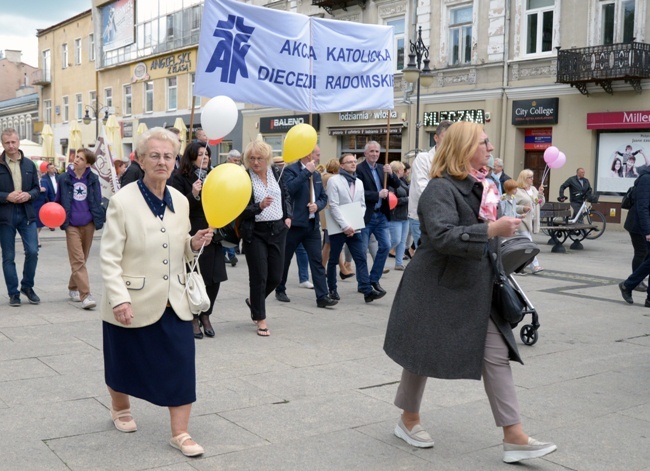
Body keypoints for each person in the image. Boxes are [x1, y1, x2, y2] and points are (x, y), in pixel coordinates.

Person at [383, 122, 557, 464]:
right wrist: (491, 228)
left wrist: (506, 228)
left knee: (495, 355)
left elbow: (481, 231)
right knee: (421, 354)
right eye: (484, 142)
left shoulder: (482, 185)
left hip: (476, 286)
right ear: (464, 149)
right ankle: (408, 419)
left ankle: (514, 436)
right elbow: (443, 235)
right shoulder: (439, 189)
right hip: (435, 285)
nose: (490, 148)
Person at [100, 127, 214, 457]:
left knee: (181, 362)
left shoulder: (179, 200)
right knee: (123, 361)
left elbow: (180, 247)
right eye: (155, 156)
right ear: (140, 159)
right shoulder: (122, 201)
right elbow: (109, 256)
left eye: (168, 156)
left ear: (175, 161)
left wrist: (193, 244)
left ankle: (180, 433)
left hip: (174, 299)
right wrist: (119, 297)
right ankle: (120, 408)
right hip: (130, 298)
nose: (162, 162)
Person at [171, 141, 227, 339]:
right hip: (193, 233)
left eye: (208, 154)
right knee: (194, 276)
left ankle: (206, 315)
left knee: (214, 277)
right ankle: (193, 316)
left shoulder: (214, 176)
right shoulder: (180, 177)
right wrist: (193, 193)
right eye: (201, 154)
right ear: (192, 156)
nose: (205, 158)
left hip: (213, 231)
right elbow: (176, 207)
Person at [239, 140, 292, 337]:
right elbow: (239, 210)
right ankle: (260, 318)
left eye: (259, 158)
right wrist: (258, 206)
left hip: (278, 229)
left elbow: (286, 195)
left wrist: (288, 216)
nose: (255, 162)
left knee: (276, 277)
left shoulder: (276, 172)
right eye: (251, 158)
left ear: (267, 158)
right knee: (259, 276)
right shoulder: (244, 177)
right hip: (255, 232)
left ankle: (254, 302)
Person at [274, 145, 337, 308]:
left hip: (311, 225)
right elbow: (289, 190)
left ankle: (322, 296)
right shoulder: (290, 170)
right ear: (307, 155)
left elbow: (323, 197)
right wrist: (305, 172)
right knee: (285, 259)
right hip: (294, 224)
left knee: (316, 260)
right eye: (317, 154)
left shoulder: (316, 174)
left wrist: (317, 205)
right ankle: (280, 288)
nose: (318, 157)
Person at [326, 153, 384, 303]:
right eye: (349, 162)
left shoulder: (358, 182)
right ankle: (332, 289)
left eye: (354, 161)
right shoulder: (334, 181)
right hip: (339, 227)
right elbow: (333, 205)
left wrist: (356, 221)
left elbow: (362, 204)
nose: (353, 164)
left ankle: (367, 290)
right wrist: (345, 225)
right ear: (342, 165)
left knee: (361, 258)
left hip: (355, 226)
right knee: (333, 260)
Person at [56, 148, 105, 309]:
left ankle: (72, 287)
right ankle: (86, 295)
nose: (76, 160)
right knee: (77, 259)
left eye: (81, 159)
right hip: (71, 224)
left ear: (88, 164)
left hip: (88, 223)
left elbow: (97, 200)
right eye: (76, 157)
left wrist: (99, 217)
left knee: (82, 259)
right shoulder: (63, 178)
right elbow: (58, 200)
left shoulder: (93, 178)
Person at [0, 128, 41, 306]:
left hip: (26, 213)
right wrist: (5, 196)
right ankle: (13, 292)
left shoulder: (29, 165)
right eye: (7, 143)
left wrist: (29, 195)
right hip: (5, 215)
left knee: (33, 251)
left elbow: (37, 189)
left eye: (13, 142)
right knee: (8, 256)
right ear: (2, 144)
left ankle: (27, 286)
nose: (11, 146)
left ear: (18, 142)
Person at [355, 141, 400, 294]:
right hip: (366, 216)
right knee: (361, 252)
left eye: (377, 151)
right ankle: (363, 284)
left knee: (386, 246)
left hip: (381, 215)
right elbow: (357, 193)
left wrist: (392, 173)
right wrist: (376, 195)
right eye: (372, 151)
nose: (374, 154)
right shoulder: (359, 169)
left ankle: (374, 278)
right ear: (365, 153)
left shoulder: (383, 168)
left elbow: (398, 184)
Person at [407, 121, 452, 249]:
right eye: (446, 137)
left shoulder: (454, 161)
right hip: (423, 217)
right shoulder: (423, 158)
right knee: (426, 255)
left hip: (446, 217)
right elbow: (424, 189)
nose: (449, 142)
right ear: (436, 138)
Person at [620, 165, 650, 300]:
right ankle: (631, 284)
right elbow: (642, 207)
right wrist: (647, 231)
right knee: (641, 253)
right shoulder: (646, 179)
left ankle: (631, 285)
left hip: (644, 226)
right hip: (640, 226)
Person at [321, 158, 355, 279]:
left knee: (331, 242)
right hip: (331, 214)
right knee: (329, 243)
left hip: (327, 213)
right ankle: (323, 268)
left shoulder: (325, 176)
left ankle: (341, 269)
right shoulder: (332, 179)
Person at [515, 169, 545, 274]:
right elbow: (512, 206)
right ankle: (535, 265)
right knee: (529, 243)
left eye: (532, 177)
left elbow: (539, 203)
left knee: (523, 245)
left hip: (532, 220)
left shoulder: (533, 189)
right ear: (524, 178)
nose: (532, 179)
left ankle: (516, 265)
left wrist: (540, 194)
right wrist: (523, 208)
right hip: (522, 220)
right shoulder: (517, 191)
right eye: (530, 177)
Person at [222, 149, 243, 266]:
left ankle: (227, 254)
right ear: (229, 158)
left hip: (235, 204)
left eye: (238, 161)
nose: (237, 163)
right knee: (225, 230)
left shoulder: (239, 170)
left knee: (230, 230)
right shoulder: (221, 169)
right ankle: (231, 254)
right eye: (235, 160)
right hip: (223, 203)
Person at [388, 161, 409, 271]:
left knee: (402, 241)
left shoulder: (402, 181)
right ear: (398, 170)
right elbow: (392, 200)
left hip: (404, 215)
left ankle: (399, 263)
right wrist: (408, 199)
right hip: (395, 215)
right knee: (396, 240)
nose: (404, 171)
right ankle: (381, 252)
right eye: (402, 169)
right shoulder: (391, 182)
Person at [33, 164, 57, 246]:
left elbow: (50, 193)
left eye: (38, 175)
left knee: (40, 224)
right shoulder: (30, 183)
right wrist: (38, 190)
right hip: (33, 204)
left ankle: (36, 236)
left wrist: (53, 203)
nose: (37, 176)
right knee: (35, 223)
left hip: (43, 205)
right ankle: (37, 240)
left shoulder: (45, 181)